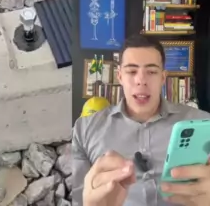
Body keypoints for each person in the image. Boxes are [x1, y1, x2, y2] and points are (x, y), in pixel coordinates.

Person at [73, 35, 210, 206]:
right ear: (120, 76)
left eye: (151, 72)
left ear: (163, 77)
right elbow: (77, 199)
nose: (141, 81)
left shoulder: (204, 123)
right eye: (131, 71)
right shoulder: (84, 130)